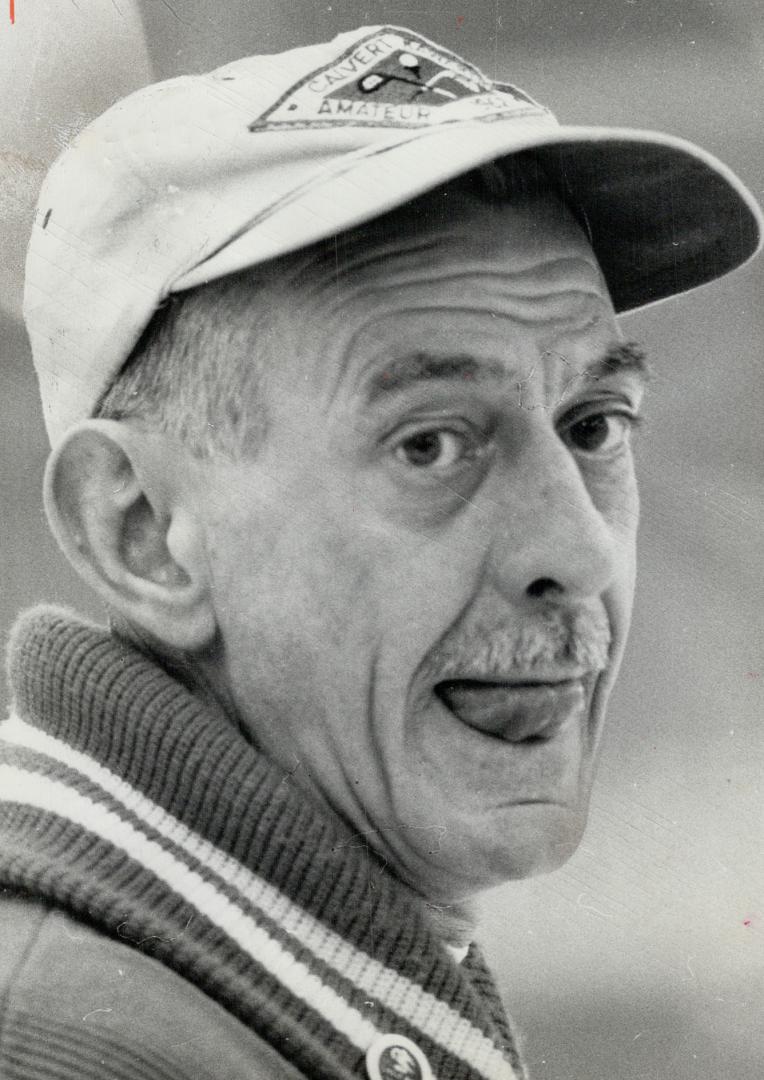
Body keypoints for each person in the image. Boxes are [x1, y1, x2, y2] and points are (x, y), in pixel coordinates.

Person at [0, 24, 760, 1080]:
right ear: (140, 534)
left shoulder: (227, 991)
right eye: (430, 444)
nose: (577, 551)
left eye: (591, 425)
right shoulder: (68, 1045)